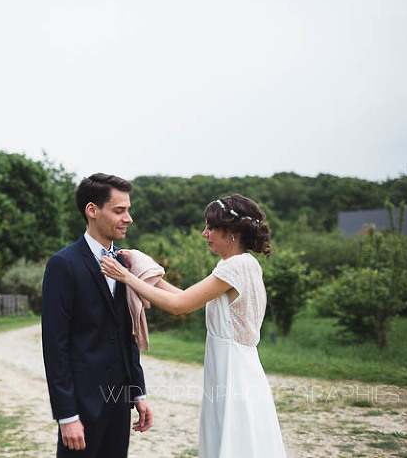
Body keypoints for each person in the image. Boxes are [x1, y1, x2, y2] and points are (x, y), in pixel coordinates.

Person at [100, 194, 287, 458]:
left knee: (236, 439)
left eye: (211, 227)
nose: (204, 233)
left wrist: (126, 277)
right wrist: (149, 271)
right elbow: (185, 296)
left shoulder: (236, 266)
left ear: (231, 232)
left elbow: (180, 306)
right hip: (232, 363)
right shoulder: (238, 265)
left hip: (233, 368)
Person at [42, 173, 153, 457]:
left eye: (128, 210)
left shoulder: (124, 262)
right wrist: (66, 416)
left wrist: (137, 392)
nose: (127, 218)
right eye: (119, 210)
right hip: (81, 407)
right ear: (92, 210)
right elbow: (55, 347)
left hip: (118, 405)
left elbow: (126, 334)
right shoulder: (62, 265)